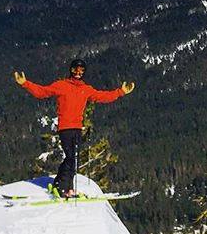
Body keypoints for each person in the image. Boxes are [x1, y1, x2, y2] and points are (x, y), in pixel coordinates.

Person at [14, 58, 135, 198]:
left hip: (77, 128)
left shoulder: (86, 89)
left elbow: (103, 96)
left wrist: (121, 92)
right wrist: (25, 84)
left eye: (81, 70)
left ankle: (67, 187)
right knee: (71, 157)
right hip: (65, 128)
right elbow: (42, 92)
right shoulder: (61, 85)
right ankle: (61, 186)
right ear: (70, 70)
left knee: (73, 159)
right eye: (75, 70)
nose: (78, 73)